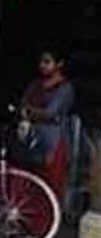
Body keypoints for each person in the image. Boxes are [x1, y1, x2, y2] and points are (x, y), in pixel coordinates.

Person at [18, 50, 76, 197]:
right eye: (41, 61)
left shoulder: (65, 88)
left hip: (54, 140)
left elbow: (51, 113)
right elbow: (22, 105)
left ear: (59, 64)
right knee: (29, 180)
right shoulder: (35, 85)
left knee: (51, 186)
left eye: (47, 61)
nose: (42, 65)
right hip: (32, 138)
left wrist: (30, 111)